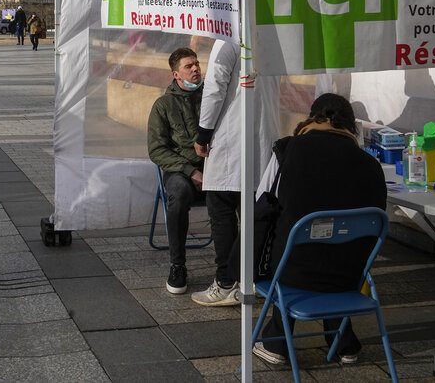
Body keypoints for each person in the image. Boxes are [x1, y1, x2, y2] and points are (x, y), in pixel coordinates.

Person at [253, 93, 386, 367]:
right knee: (335, 244)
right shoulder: (371, 165)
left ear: (312, 118)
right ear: (351, 126)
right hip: (349, 274)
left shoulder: (288, 150)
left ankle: (277, 343)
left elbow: (263, 201)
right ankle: (343, 343)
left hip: (293, 270)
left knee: (290, 238)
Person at [191, 39, 280, 306]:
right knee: (253, 220)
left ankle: (226, 282)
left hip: (231, 141)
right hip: (263, 138)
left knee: (222, 216)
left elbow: (214, 88)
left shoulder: (228, 38)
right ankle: (249, 279)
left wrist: (203, 133)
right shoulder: (270, 33)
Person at [147, 47, 205, 294]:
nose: (195, 69)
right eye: (188, 66)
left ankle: (233, 266)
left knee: (243, 193)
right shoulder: (163, 105)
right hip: (181, 170)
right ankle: (177, 265)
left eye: (197, 64)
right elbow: (157, 150)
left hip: (216, 166)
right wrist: (191, 171)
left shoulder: (212, 96)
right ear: (175, 74)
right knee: (178, 196)